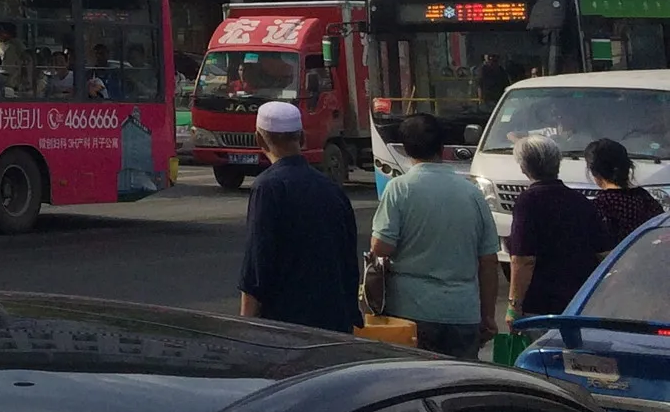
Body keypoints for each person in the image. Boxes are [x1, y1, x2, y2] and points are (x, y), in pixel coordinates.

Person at [368, 113, 500, 356]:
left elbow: (380, 248)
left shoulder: (399, 188)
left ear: (406, 149)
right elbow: (489, 261)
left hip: (410, 312)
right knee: (459, 378)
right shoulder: (472, 193)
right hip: (462, 313)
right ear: (442, 147)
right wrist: (488, 315)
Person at [238, 100, 362, 335]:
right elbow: (348, 257)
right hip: (335, 322)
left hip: (287, 326)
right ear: (302, 138)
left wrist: (246, 328)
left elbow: (257, 265)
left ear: (259, 140)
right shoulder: (331, 187)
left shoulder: (268, 187)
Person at [508, 134, 606, 323]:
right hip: (578, 301)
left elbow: (523, 259)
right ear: (557, 163)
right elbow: (603, 252)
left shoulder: (527, 202)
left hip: (540, 306)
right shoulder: (580, 201)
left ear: (523, 167)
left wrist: (514, 306)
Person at [588, 137, 657, 249]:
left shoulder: (600, 204)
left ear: (595, 173)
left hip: (616, 259)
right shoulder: (644, 197)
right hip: (646, 255)